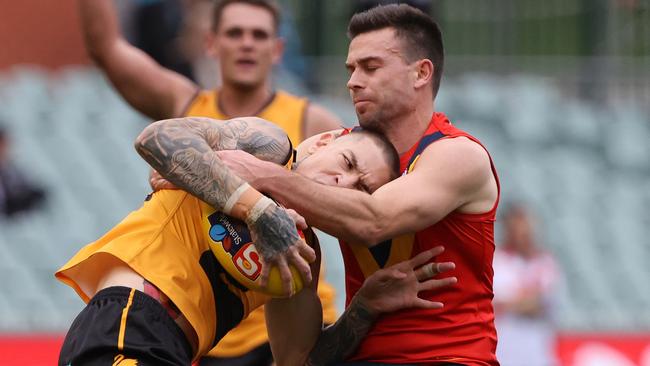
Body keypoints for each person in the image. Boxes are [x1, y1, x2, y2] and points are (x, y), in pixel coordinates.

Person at [213, 4, 501, 365]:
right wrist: (362, 307)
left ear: (421, 73)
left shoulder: (458, 155)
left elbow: (373, 221)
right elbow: (293, 357)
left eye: (371, 67)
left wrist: (263, 175)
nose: (352, 81)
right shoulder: (330, 146)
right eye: (351, 68)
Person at [55, 116, 456, 365]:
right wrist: (259, 211)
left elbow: (295, 359)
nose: (344, 182)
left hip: (171, 347)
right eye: (348, 163)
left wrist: (363, 309)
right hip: (131, 317)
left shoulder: (304, 255)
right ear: (323, 142)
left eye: (361, 189)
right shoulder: (269, 146)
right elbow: (158, 139)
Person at [77, 0, 342, 363]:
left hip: (290, 333)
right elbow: (105, 49)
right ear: (211, 44)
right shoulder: (185, 109)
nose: (247, 43)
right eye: (235, 33)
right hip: (213, 338)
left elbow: (364, 206)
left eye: (259, 34)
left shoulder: (313, 124)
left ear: (277, 49)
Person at [492, 204, 562, 366]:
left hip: (539, 356)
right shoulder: (496, 262)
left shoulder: (546, 262)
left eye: (528, 227)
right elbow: (497, 304)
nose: (526, 234)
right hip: (504, 355)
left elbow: (547, 302)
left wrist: (518, 302)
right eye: (519, 228)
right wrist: (531, 301)